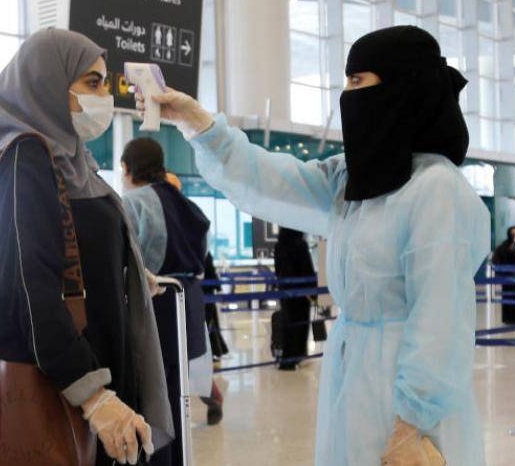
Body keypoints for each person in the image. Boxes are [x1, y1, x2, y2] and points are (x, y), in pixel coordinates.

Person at [141, 25, 490, 465]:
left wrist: (412, 423)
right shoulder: (354, 181)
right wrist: (200, 124)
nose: (350, 97)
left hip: (408, 397)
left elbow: (440, 319)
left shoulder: (436, 190)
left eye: (359, 82)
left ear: (403, 88)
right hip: (353, 379)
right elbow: (272, 180)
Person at [0, 29, 172, 466]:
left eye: (104, 84)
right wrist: (94, 398)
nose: (103, 97)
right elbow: (27, 286)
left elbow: (71, 244)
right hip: (59, 385)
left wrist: (122, 270)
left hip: (90, 368)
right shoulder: (22, 160)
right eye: (91, 83)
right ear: (49, 83)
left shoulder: (71, 161)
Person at [121, 137, 223, 459]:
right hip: (188, 305)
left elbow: (125, 258)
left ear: (127, 168)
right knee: (178, 393)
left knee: (152, 397)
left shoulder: (134, 202)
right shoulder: (187, 205)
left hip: (154, 303)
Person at [273, 227, 316, 370]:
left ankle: (287, 358)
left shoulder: (279, 245)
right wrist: (314, 292)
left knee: (288, 323)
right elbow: (307, 269)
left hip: (285, 292)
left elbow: (278, 270)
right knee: (300, 324)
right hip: (301, 293)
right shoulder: (300, 245)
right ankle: (296, 356)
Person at [492, 226, 515, 325]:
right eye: (512, 233)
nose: (514, 235)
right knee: (507, 297)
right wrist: (514, 245)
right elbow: (506, 255)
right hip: (507, 277)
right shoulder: (505, 245)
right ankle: (507, 319)